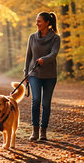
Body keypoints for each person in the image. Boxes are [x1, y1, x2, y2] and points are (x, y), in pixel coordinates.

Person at [24, 12, 61, 141]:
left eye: (39, 21)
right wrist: (26, 74)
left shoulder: (55, 38)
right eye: (36, 21)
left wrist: (43, 59)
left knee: (46, 103)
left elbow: (54, 54)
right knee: (36, 100)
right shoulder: (32, 37)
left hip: (50, 75)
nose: (37, 23)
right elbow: (28, 56)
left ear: (47, 23)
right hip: (34, 74)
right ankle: (34, 131)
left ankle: (43, 131)